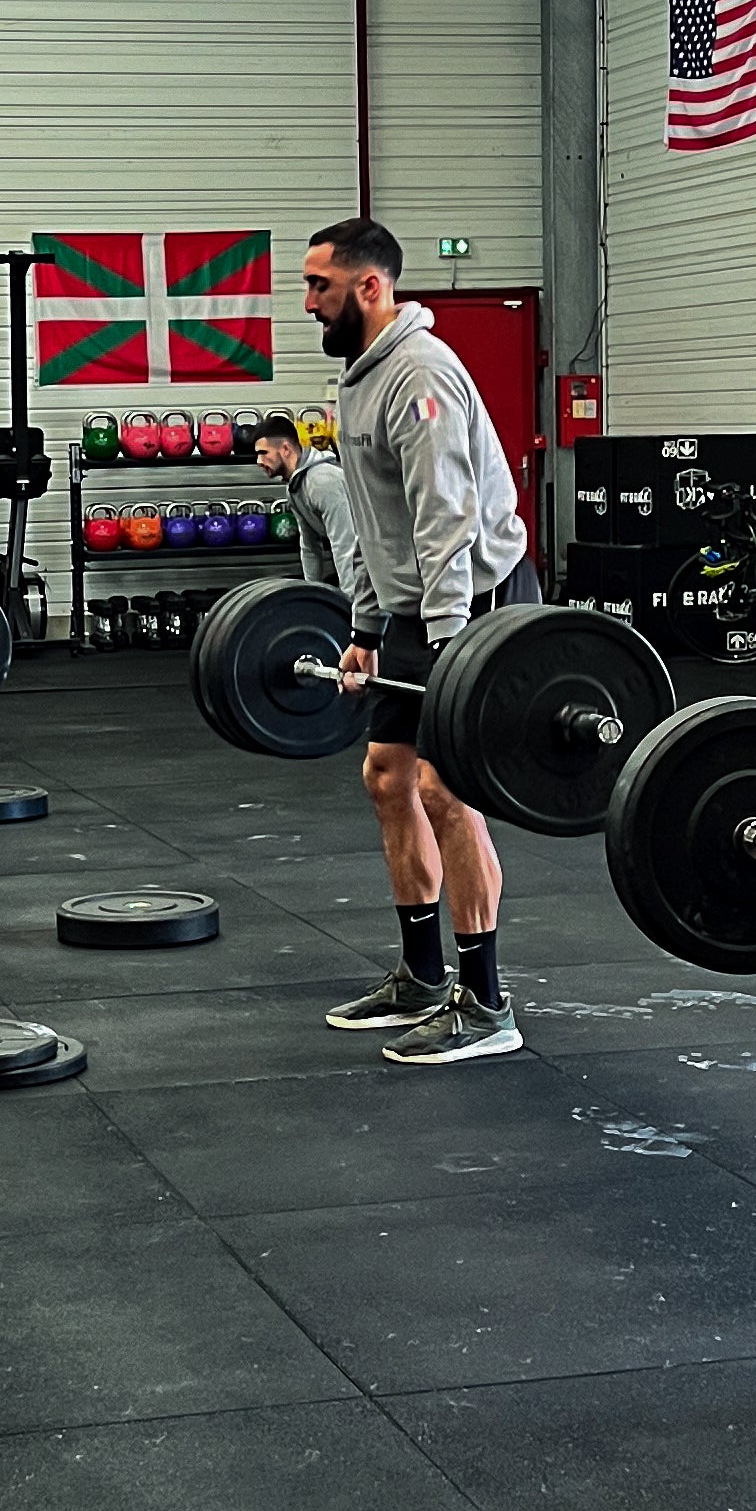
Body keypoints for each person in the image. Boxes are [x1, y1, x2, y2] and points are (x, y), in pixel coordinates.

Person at [303, 216, 537, 1065]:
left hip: (472, 598)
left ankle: (486, 1003)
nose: (308, 303)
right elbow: (369, 521)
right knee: (387, 776)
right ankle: (422, 975)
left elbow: (447, 518)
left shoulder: (421, 373)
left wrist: (445, 646)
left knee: (447, 789)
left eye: (319, 286)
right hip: (411, 609)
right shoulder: (358, 380)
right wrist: (366, 624)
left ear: (371, 287)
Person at [253, 411, 360, 599]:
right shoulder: (295, 487)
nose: (259, 462)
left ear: (285, 449)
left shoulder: (322, 481)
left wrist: (351, 602)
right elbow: (310, 547)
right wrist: (312, 595)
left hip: (386, 560)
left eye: (264, 453)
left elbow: (345, 545)